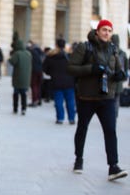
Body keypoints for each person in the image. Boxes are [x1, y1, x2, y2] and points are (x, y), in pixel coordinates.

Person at [67, 19, 128, 181]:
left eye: (109, 30)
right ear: (97, 32)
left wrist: (119, 76)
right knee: (82, 128)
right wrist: (90, 69)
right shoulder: (84, 47)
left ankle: (113, 167)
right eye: (104, 30)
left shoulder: (114, 50)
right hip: (86, 97)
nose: (107, 33)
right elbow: (71, 68)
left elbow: (118, 70)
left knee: (110, 131)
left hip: (107, 97)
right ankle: (78, 159)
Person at [43, 38, 76, 124]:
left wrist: (52, 73)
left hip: (56, 81)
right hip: (69, 81)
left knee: (58, 101)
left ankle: (60, 118)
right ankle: (71, 118)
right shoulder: (69, 56)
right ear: (65, 45)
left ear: (56, 45)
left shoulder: (50, 56)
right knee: (70, 101)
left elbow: (45, 69)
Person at [9, 36, 32, 115]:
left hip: (17, 78)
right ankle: (24, 109)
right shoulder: (28, 53)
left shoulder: (17, 53)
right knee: (24, 94)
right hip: (26, 78)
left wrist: (10, 58)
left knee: (16, 93)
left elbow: (12, 62)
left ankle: (15, 108)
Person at [110, 34, 128, 118]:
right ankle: (115, 115)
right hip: (119, 79)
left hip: (110, 79)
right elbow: (126, 67)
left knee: (110, 99)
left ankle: (111, 115)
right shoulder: (123, 53)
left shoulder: (109, 51)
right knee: (116, 99)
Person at [27, 40, 44, 107]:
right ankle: (39, 100)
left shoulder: (32, 52)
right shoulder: (40, 52)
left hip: (34, 70)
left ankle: (34, 101)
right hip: (40, 70)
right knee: (38, 85)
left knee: (34, 85)